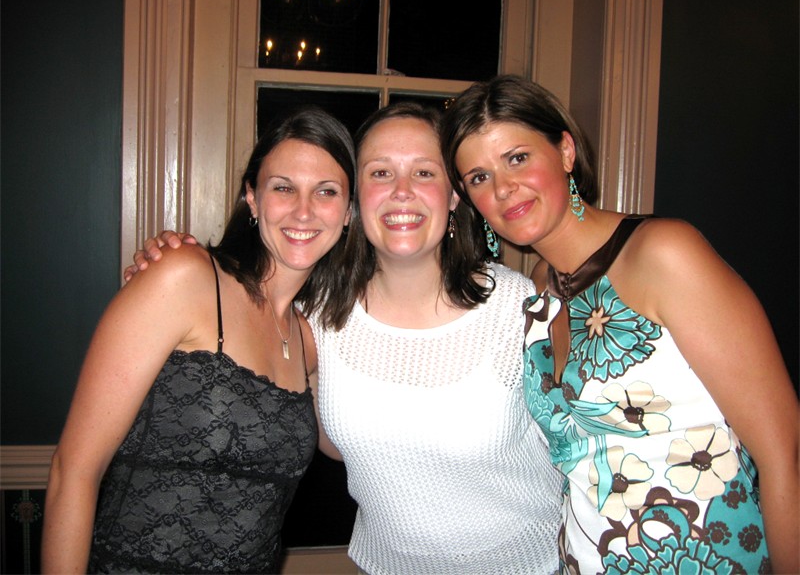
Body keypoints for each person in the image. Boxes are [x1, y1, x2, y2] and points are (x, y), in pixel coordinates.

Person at [127, 102, 564, 574]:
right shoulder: (318, 315)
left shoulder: (518, 306)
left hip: (531, 564)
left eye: (423, 172)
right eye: (380, 173)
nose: (401, 192)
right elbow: (335, 439)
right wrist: (175, 264)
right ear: (355, 202)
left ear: (454, 194)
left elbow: (587, 449)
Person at [440, 74, 799, 574]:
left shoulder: (663, 253)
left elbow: (785, 453)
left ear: (565, 152)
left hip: (702, 555)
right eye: (479, 177)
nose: (503, 188)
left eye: (517, 158)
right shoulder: (541, 286)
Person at [42, 106, 355, 574]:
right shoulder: (185, 278)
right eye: (283, 187)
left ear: (348, 213)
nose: (303, 210)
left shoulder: (309, 339)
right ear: (252, 198)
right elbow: (74, 470)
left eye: (326, 191)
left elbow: (350, 443)